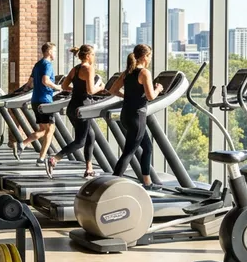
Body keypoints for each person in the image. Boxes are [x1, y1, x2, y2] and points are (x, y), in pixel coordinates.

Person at [107, 43, 163, 189]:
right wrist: (158, 88)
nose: (150, 59)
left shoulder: (127, 72)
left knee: (147, 147)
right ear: (144, 56)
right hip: (137, 117)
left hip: (126, 115)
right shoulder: (144, 72)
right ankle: (110, 185)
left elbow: (113, 90)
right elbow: (150, 96)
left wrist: (129, 96)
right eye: (149, 56)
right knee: (128, 152)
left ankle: (147, 182)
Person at [46, 44, 104, 178]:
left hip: (72, 108)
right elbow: (90, 90)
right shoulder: (89, 69)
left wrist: (78, 90)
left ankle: (89, 168)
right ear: (88, 56)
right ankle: (55, 159)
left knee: (91, 135)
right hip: (84, 108)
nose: (94, 57)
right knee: (80, 141)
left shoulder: (75, 69)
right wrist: (100, 87)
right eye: (93, 55)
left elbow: (64, 86)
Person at [10, 42, 61, 165]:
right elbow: (45, 80)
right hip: (45, 101)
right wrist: (57, 87)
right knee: (50, 130)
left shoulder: (38, 64)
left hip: (35, 100)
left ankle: (22, 144)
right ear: (49, 52)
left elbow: (29, 83)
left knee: (43, 130)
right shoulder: (47, 65)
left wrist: (23, 90)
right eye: (54, 51)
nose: (55, 54)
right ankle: (41, 159)